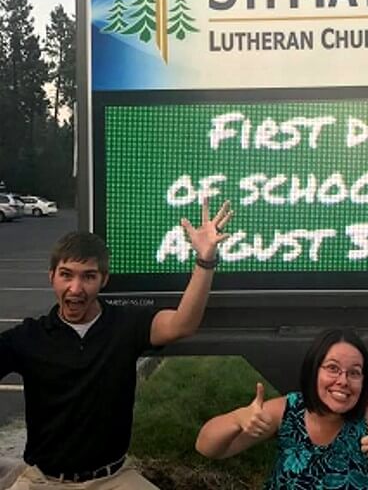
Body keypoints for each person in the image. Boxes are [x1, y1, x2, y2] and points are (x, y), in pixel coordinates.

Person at [0, 197, 232, 490]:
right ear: (52, 278)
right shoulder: (28, 337)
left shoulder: (125, 325)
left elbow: (182, 324)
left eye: (88, 277)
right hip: (43, 480)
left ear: (104, 279)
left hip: (113, 479)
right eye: (66, 275)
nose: (76, 288)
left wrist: (205, 260)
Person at [196, 328, 368, 490]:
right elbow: (207, 447)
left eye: (354, 373)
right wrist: (237, 419)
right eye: (332, 368)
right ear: (314, 371)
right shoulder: (289, 410)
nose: (342, 380)